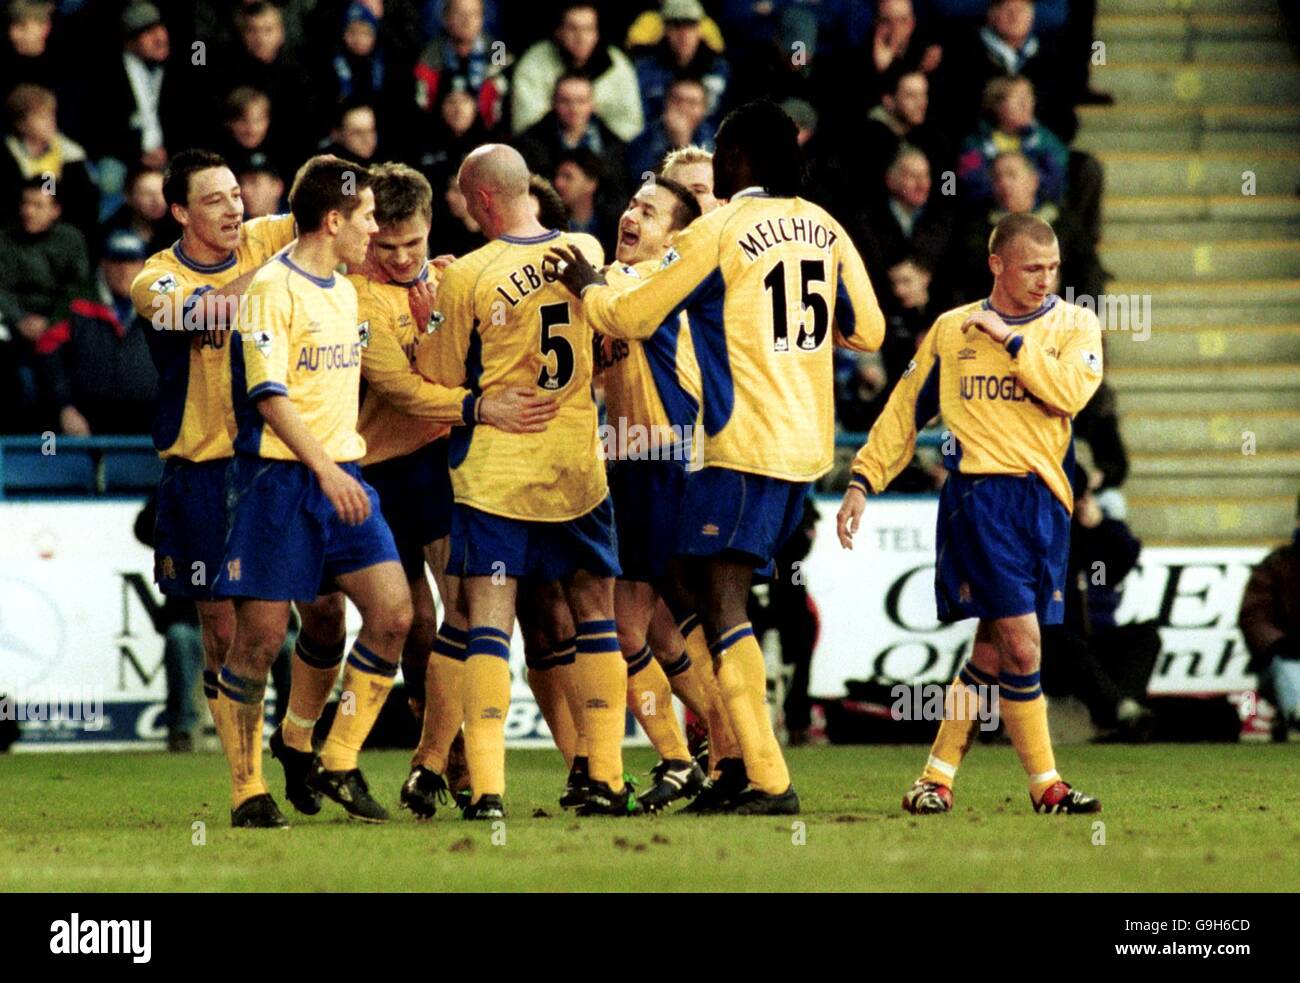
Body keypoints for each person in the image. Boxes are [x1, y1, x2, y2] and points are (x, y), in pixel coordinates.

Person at [550, 99, 885, 815]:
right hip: (805, 443)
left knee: (721, 601)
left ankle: (767, 777)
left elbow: (630, 315)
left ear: (737, 162)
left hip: (735, 443)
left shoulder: (723, 229)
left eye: (722, 157)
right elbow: (871, 329)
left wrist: (586, 284)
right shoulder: (824, 226)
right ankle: (732, 767)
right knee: (700, 594)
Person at [837, 211, 1105, 816]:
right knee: (1023, 647)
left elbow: (1067, 393)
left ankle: (934, 779)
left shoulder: (1075, 325)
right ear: (997, 264)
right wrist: (862, 479)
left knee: (990, 654)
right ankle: (1047, 785)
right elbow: (905, 410)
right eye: (1033, 268)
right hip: (980, 501)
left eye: (1053, 267)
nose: (1045, 279)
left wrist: (1013, 343)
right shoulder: (953, 330)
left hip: (1045, 504)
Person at [415, 144, 633, 818]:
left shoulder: (469, 274)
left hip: (497, 474)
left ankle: (487, 791)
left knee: (489, 622)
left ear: (481, 199)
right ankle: (606, 777)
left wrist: (428, 315)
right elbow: (608, 332)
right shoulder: (584, 247)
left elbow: (440, 377)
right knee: (594, 613)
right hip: (576, 468)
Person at [334, 161, 558, 819]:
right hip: (371, 472)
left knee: (461, 604)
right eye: (387, 247)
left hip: (434, 465)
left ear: (431, 224)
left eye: (413, 244)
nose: (402, 258)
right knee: (410, 620)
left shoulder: (451, 278)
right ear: (367, 232)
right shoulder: (354, 298)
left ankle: (440, 759)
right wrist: (479, 403)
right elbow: (404, 388)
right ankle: (415, 749)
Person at [214, 155, 412, 829]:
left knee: (392, 614)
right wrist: (324, 468)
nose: (376, 231)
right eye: (367, 218)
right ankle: (247, 788)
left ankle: (330, 752)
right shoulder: (272, 289)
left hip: (342, 476)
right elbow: (268, 393)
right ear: (335, 220)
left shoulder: (345, 291)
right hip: (280, 480)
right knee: (262, 636)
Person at [127, 149, 296, 803]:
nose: (235, 208)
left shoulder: (263, 237)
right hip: (198, 468)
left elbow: (326, 217)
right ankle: (244, 779)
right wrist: (282, 275)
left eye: (237, 194)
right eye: (215, 199)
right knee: (218, 626)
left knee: (280, 618)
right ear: (178, 212)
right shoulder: (155, 280)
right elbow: (208, 313)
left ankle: (300, 749)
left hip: (268, 459)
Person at [595, 174, 742, 811]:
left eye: (647, 212)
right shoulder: (644, 284)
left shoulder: (649, 283)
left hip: (662, 463)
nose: (630, 216)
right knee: (666, 626)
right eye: (630, 203)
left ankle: (707, 754)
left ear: (674, 238)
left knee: (630, 626)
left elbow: (591, 291)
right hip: (641, 463)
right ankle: (713, 751)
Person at [1040, 465, 1158, 740]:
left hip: (1095, 641)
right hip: (1053, 653)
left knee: (1145, 637)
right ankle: (1118, 711)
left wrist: (1102, 526)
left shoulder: (1094, 536)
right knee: (1061, 636)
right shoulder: (1042, 533)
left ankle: (1124, 710)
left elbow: (1121, 562)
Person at [35, 229, 159, 436]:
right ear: (103, 264)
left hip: (150, 417)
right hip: (85, 416)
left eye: (132, 263)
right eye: (117, 262)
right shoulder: (77, 302)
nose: (124, 271)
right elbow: (47, 352)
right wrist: (65, 407)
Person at [0, 177, 88, 430]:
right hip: (13, 321)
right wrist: (19, 319)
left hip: (57, 319)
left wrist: (49, 321)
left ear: (55, 210)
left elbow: (78, 288)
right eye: (25, 204)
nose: (28, 211)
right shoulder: (5, 238)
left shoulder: (71, 240)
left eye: (38, 205)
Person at [511, 3, 643, 144]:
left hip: (603, 156)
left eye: (588, 29)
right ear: (558, 31)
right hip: (548, 155)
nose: (581, 37)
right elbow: (525, 125)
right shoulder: (534, 62)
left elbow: (631, 127)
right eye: (572, 29)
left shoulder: (617, 64)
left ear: (597, 34)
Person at [1239, 494, 1300, 736]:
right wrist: (1279, 643)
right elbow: (1253, 615)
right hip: (1284, 661)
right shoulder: (1276, 564)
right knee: (1288, 664)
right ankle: (1297, 715)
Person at [957, 75, 1069, 207]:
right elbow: (970, 179)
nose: (1027, 105)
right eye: (1019, 99)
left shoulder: (1045, 140)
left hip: (1036, 210)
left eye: (1029, 98)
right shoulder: (975, 143)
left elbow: (1057, 180)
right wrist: (1003, 190)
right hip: (988, 213)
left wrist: (1024, 192)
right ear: (997, 105)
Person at [0, 83, 97, 234]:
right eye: (42, 117)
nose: (51, 122)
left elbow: (82, 203)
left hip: (62, 229)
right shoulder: (7, 156)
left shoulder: (70, 155)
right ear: (21, 124)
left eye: (52, 114)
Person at [413, 0, 511, 130]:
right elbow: (423, 107)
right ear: (445, 18)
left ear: (482, 18)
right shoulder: (429, 55)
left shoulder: (498, 49)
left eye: (474, 14)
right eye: (460, 14)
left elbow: (504, 103)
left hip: (488, 134)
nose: (467, 21)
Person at [632, 0, 729, 129]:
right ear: (665, 30)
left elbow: (726, 117)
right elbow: (640, 120)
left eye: (691, 26)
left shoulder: (719, 68)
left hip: (711, 141)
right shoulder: (645, 69)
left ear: (700, 29)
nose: (684, 35)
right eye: (676, 26)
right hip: (659, 140)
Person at [626, 76, 715, 182]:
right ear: (665, 103)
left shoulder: (714, 140)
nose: (683, 108)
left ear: (704, 109)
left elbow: (706, 183)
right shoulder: (644, 140)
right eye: (677, 100)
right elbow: (644, 181)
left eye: (692, 103)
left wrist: (683, 146)